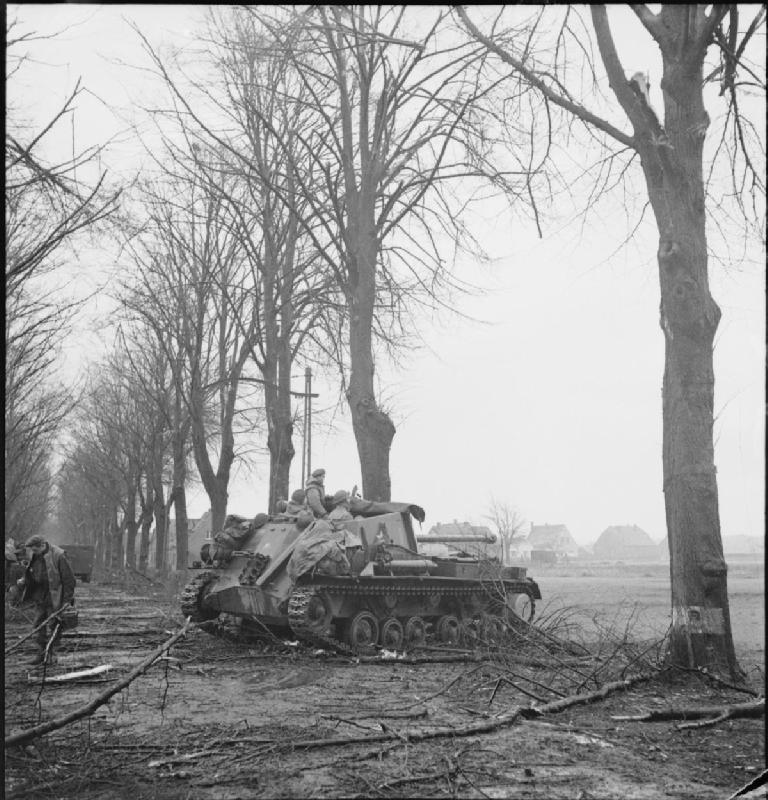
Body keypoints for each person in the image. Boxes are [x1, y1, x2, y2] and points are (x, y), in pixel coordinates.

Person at [18, 535, 76, 666]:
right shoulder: (35, 555)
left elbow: (69, 580)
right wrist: (24, 580)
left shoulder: (59, 555)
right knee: (37, 625)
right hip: (40, 596)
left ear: (42, 545)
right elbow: (31, 572)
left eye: (35, 549)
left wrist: (66, 601)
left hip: (55, 597)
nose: (33, 552)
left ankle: (52, 655)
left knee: (54, 626)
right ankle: (40, 655)